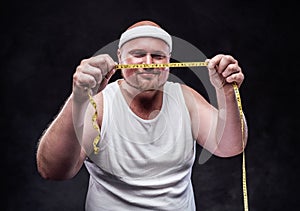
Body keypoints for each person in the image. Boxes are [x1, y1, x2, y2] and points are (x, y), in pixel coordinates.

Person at [36, 20, 248, 211]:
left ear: (169, 61)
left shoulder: (185, 99)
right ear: (120, 58)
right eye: (138, 54)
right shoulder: (99, 104)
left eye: (158, 56)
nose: (148, 62)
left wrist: (226, 93)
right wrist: (79, 98)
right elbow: (53, 170)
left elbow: (230, 146)